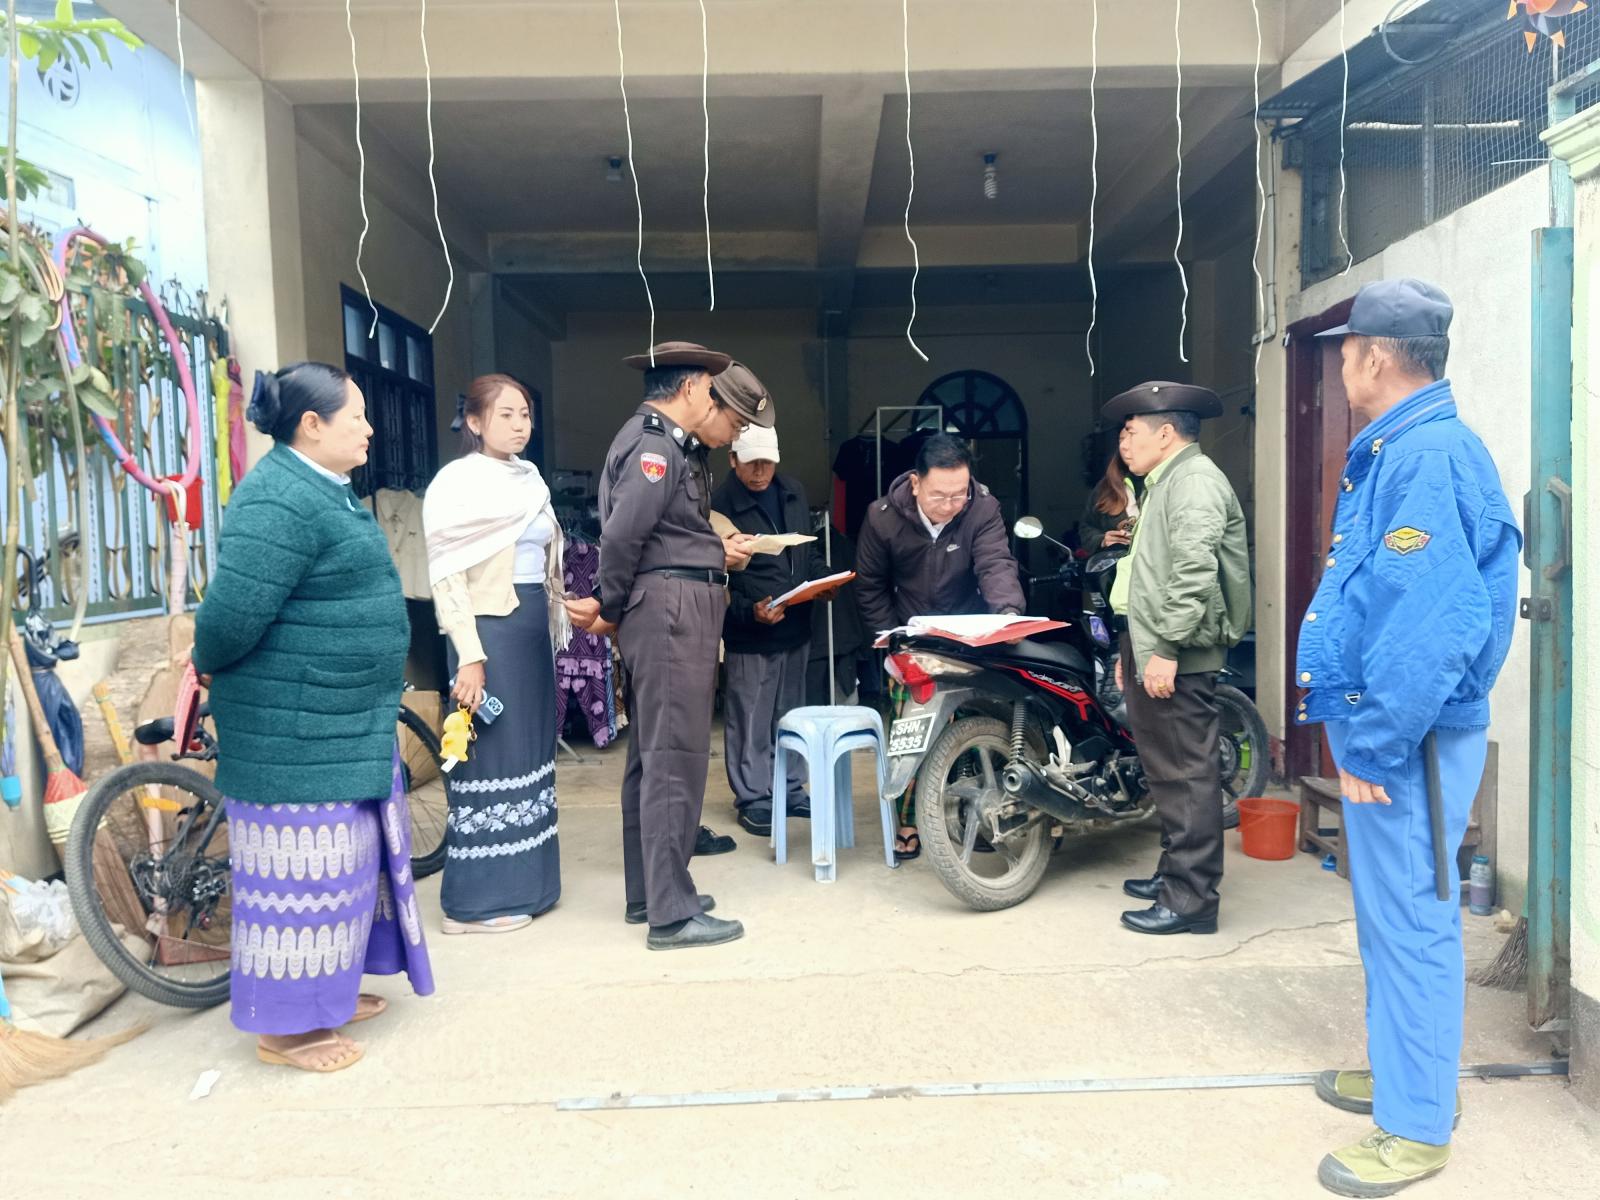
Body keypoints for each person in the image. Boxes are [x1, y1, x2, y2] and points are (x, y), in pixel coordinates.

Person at [1298, 280, 1519, 1198]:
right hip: (1395, 727)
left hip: (1410, 735)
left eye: (1347, 351)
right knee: (1390, 916)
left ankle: (1418, 1126)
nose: (1342, 366)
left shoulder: (1426, 455)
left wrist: (1376, 745)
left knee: (1416, 921)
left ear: (1379, 356)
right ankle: (1405, 1073)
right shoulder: (1405, 447)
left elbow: (1430, 623)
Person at [192, 362, 434, 1074]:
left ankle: (327, 992)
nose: (370, 428)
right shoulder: (277, 500)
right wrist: (201, 660)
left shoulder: (321, 488)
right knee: (301, 883)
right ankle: (287, 1031)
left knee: (344, 872)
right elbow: (230, 618)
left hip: (335, 722)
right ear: (311, 425)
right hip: (295, 732)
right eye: (356, 415)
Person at [564, 343, 764, 950]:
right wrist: (611, 607)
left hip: (671, 604)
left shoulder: (669, 445)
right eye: (711, 388)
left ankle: (650, 893)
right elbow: (624, 537)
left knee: (654, 756)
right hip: (672, 610)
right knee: (674, 758)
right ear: (694, 387)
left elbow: (663, 535)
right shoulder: (656, 447)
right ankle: (671, 914)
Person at [422, 374, 570, 935]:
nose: (519, 424)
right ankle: (473, 905)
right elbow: (448, 577)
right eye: (505, 414)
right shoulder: (455, 484)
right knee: (490, 757)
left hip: (530, 629)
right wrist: (469, 655)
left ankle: (529, 886)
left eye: (525, 414)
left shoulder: (529, 478)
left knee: (529, 753)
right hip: (488, 635)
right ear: (475, 421)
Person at [1105, 382, 1251, 936]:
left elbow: (1193, 573)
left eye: (1131, 432)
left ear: (1165, 433)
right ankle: (1174, 874)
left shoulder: (1193, 482)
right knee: (1166, 770)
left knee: (1187, 773)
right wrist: (1137, 647)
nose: (1123, 443)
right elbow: (1148, 575)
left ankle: (1191, 901)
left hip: (1181, 651)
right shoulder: (1164, 482)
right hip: (1159, 644)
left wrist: (1164, 648)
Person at [856, 433, 1025, 859]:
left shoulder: (981, 507)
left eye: (958, 494)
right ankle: (909, 820)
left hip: (966, 632)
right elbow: (870, 587)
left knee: (977, 720)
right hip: (910, 636)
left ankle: (976, 815)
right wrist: (890, 641)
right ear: (915, 483)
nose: (950, 505)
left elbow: (995, 563)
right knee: (910, 730)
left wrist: (1007, 612)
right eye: (939, 496)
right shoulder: (882, 518)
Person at [710, 409, 838, 837]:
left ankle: (791, 789)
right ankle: (754, 796)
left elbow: (805, 553)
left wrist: (822, 580)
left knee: (792, 713)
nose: (761, 471)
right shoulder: (717, 506)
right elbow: (716, 580)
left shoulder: (792, 492)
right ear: (732, 459)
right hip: (751, 633)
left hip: (796, 625)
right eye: (751, 463)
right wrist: (750, 611)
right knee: (750, 716)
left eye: (767, 462)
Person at [1077, 448, 1143, 554]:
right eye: (1122, 440)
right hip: (1118, 561)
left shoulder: (1166, 482)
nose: (1127, 444)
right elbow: (1087, 527)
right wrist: (1102, 540)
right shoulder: (1105, 488)